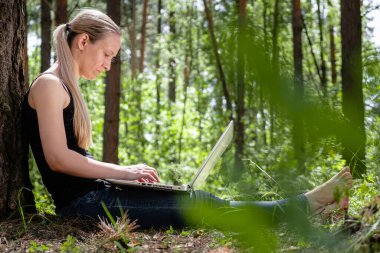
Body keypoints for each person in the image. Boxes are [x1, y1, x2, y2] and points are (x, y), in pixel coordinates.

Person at [22, 9, 353, 229]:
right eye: (107, 54)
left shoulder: (64, 86)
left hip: (98, 195)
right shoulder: (50, 86)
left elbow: (73, 158)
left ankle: (309, 208)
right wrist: (123, 171)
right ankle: (306, 207)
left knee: (201, 200)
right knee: (203, 207)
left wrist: (123, 178)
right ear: (83, 42)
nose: (109, 65)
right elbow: (58, 159)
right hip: (85, 205)